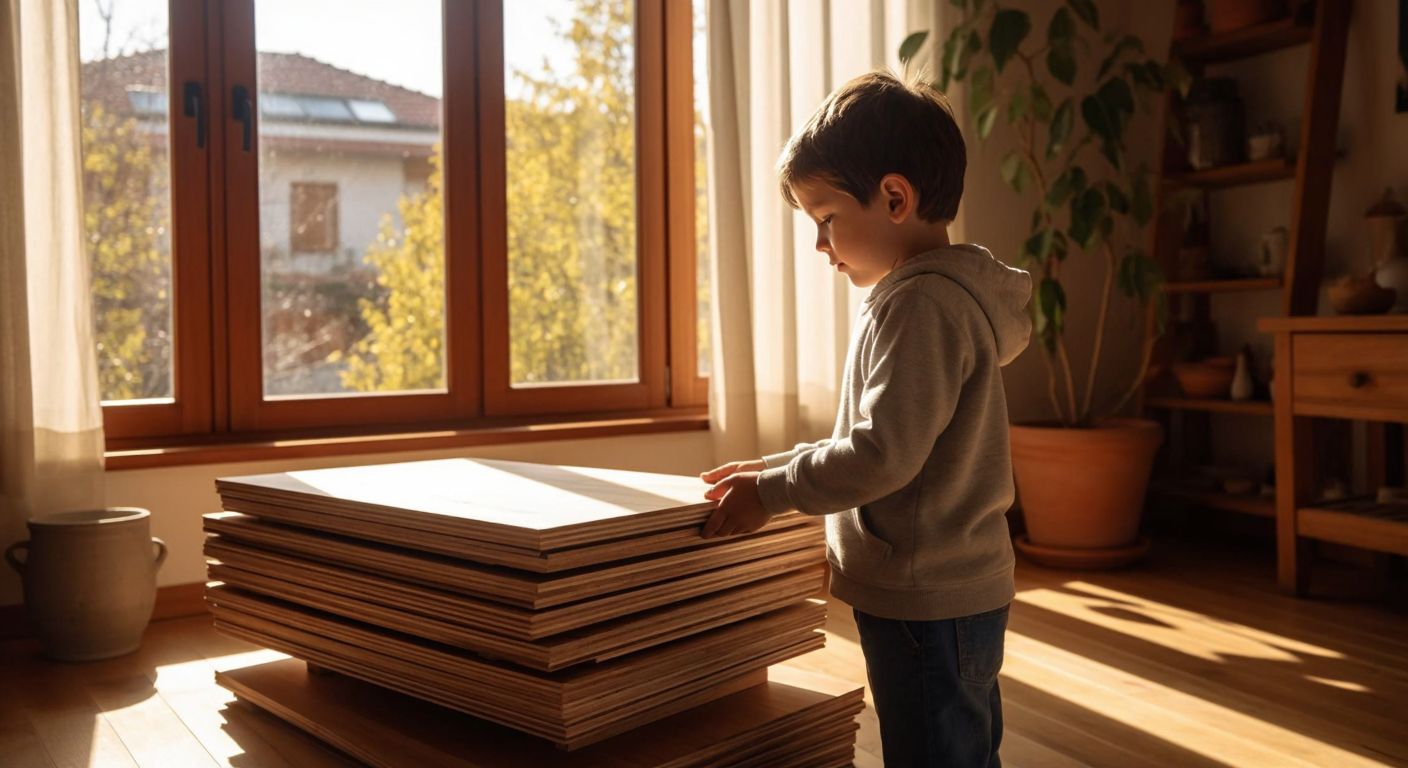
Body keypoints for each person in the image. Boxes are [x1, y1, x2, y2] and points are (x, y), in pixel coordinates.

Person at [699, 69, 1032, 767]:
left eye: (825, 220)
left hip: (927, 597)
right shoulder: (930, 298)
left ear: (893, 197)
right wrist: (773, 467)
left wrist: (772, 495)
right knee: (958, 746)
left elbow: (881, 456)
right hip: (940, 590)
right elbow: (878, 438)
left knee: (935, 753)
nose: (822, 247)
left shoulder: (921, 307)